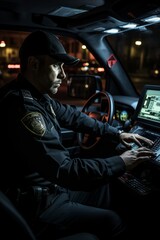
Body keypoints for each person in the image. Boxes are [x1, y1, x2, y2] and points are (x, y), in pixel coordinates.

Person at [0, 30, 155, 240]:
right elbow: (67, 170)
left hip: (48, 190)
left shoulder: (36, 96)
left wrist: (117, 134)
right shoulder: (25, 110)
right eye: (57, 66)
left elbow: (72, 117)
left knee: (107, 187)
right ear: (34, 64)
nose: (63, 75)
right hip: (39, 206)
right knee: (113, 221)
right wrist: (121, 161)